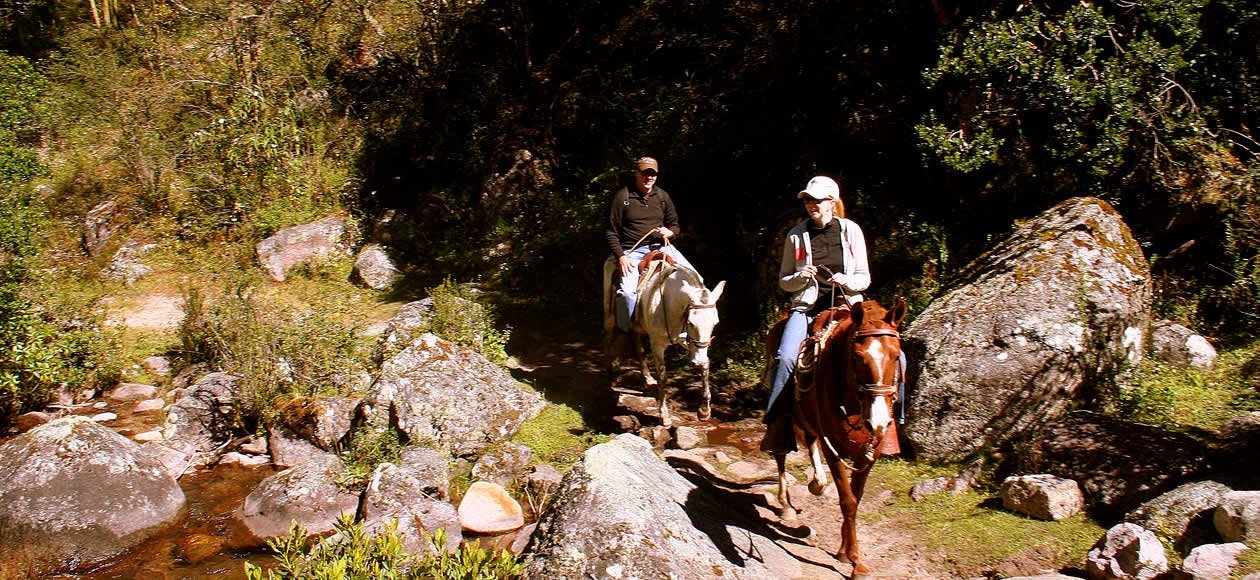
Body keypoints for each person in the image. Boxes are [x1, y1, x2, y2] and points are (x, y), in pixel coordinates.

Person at [765, 175, 870, 423]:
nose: (812, 205)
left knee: (890, 353)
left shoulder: (851, 231)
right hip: (807, 308)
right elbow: (784, 281)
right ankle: (778, 423)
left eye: (818, 200)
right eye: (808, 201)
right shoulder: (795, 235)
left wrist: (846, 280)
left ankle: (891, 421)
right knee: (787, 357)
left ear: (832, 202)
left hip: (847, 305)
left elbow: (864, 278)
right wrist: (801, 277)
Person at [605, 156, 696, 333]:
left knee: (695, 279)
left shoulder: (662, 197)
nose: (649, 178)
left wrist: (671, 232)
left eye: (652, 174)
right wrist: (621, 256)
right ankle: (625, 332)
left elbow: (675, 224)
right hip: (632, 250)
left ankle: (691, 331)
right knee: (626, 294)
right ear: (636, 174)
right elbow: (611, 231)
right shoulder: (623, 197)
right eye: (645, 174)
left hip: (663, 247)